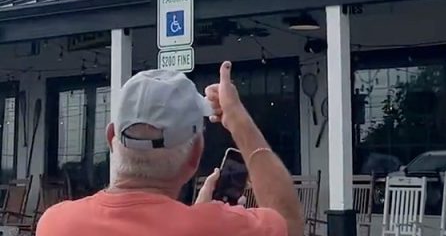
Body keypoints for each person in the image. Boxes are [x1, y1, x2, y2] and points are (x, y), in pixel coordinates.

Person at [37, 62, 304, 236]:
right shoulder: (216, 229)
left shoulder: (55, 225)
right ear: (195, 154)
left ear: (110, 138)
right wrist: (239, 121)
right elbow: (288, 224)